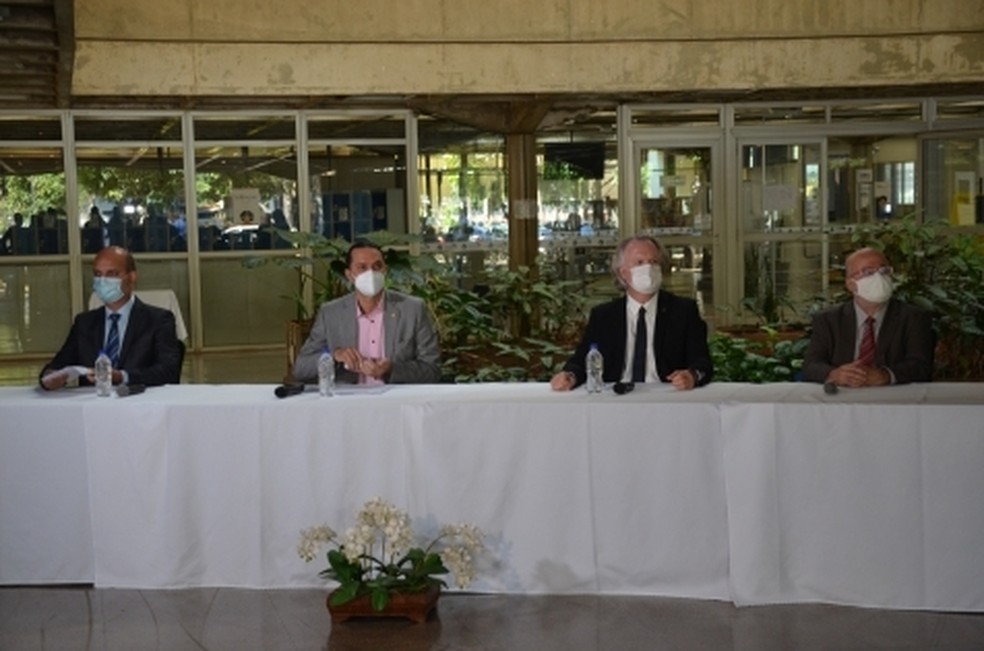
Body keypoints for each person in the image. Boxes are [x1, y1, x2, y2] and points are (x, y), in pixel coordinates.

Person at [550, 234, 713, 392]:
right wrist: (570, 376)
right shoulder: (604, 316)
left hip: (667, 397)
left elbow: (703, 364)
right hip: (617, 399)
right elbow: (581, 360)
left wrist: (692, 376)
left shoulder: (683, 311)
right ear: (623, 273)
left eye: (654, 261)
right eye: (640, 262)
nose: (648, 268)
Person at [292, 240, 441, 384]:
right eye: (362, 267)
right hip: (348, 403)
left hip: (396, 402)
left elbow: (433, 370)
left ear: (385, 271)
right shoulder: (330, 313)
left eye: (377, 266)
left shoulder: (412, 309)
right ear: (349, 275)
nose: (371, 273)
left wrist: (391, 369)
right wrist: (335, 356)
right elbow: (301, 368)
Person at [39, 246, 184, 390]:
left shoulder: (158, 320)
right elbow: (58, 365)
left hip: (139, 405)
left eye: (111, 274)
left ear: (132, 277)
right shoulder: (84, 323)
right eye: (98, 274)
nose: (103, 281)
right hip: (92, 405)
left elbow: (168, 372)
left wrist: (122, 376)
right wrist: (50, 376)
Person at [802, 247, 934, 387]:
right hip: (843, 398)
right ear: (851, 284)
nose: (878, 277)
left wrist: (885, 375)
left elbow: (921, 366)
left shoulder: (913, 317)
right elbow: (812, 364)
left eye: (884, 271)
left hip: (893, 400)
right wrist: (834, 374)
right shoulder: (828, 320)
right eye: (868, 272)